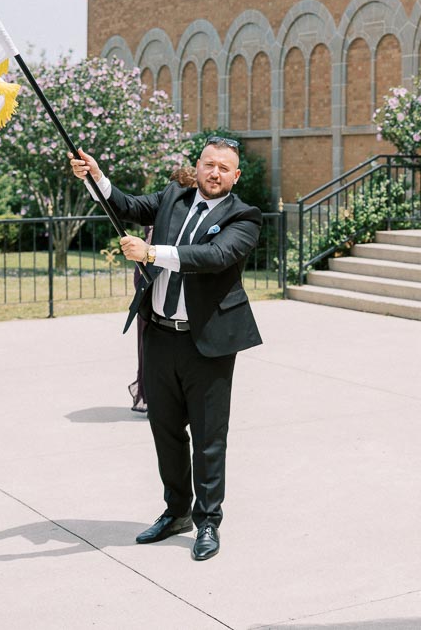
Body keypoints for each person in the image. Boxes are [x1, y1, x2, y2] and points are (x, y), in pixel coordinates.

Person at [70, 137, 262, 561]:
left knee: (209, 437)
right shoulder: (173, 197)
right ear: (197, 166)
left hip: (207, 344)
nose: (214, 173)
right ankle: (177, 512)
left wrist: (152, 251)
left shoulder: (244, 216)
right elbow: (127, 206)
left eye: (223, 168)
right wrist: (97, 177)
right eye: (208, 164)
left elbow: (214, 255)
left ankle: (208, 521)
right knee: (166, 431)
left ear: (235, 175)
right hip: (159, 335)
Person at [128, 165, 198, 414]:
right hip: (153, 277)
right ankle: (152, 393)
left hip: (154, 275)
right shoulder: (165, 209)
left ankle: (157, 394)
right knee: (149, 340)